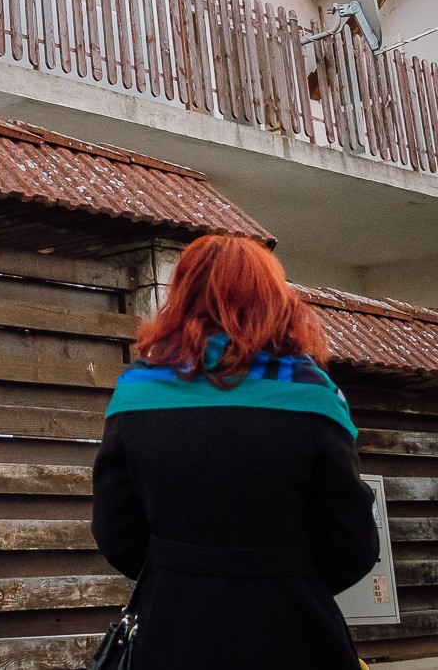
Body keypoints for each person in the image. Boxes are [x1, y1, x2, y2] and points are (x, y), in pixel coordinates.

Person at [92, 235, 379, 670]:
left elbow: (115, 532)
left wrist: (183, 578)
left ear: (181, 296)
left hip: (172, 633)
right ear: (273, 301)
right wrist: (287, 580)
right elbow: (353, 545)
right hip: (298, 633)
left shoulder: (136, 395)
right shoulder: (312, 396)